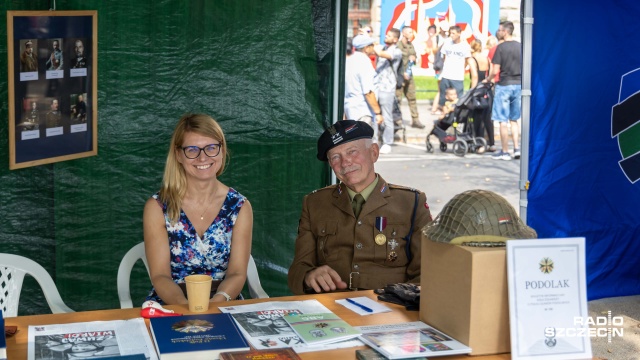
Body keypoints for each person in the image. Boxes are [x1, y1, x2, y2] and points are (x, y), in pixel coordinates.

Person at [288, 120, 432, 294]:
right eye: (335, 157)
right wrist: (309, 275)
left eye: (352, 152)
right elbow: (298, 268)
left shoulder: (410, 203)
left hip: (391, 308)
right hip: (332, 307)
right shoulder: (314, 203)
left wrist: (399, 303)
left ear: (373, 153)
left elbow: (427, 273)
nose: (345, 162)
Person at [143, 113, 253, 305]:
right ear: (178, 154)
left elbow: (236, 273)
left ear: (221, 150)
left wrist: (216, 303)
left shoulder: (240, 206)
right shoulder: (157, 207)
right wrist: (187, 306)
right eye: (192, 149)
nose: (203, 157)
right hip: (173, 303)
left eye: (211, 148)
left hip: (223, 301)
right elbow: (160, 276)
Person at [487, 21, 522, 161]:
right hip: (518, 85)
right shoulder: (520, 47)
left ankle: (505, 151)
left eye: (500, 30)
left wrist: (488, 79)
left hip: (504, 84)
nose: (498, 32)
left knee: (502, 120)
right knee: (514, 119)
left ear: (505, 32)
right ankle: (516, 148)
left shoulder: (500, 48)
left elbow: (495, 70)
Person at [344, 35, 384, 130]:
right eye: (372, 45)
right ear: (366, 48)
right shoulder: (364, 62)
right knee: (365, 143)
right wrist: (378, 112)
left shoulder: (351, 59)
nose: (373, 47)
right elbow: (368, 92)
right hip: (362, 111)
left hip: (350, 109)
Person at [373, 28, 402, 154]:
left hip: (387, 88)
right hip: (376, 86)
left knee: (386, 116)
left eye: (389, 35)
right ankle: (374, 141)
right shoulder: (382, 48)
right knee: (374, 114)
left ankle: (387, 142)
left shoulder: (397, 51)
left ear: (395, 39)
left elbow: (381, 54)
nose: (386, 36)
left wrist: (373, 44)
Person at [438, 26, 477, 111]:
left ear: (459, 33)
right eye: (450, 33)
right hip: (446, 75)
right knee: (443, 99)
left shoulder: (464, 46)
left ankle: (455, 118)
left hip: (457, 77)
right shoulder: (447, 43)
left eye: (453, 33)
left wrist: (461, 67)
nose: (451, 35)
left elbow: (467, 60)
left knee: (457, 100)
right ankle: (444, 117)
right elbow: (443, 57)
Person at [396, 26, 424, 129]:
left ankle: (415, 120)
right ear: (403, 33)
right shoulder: (398, 46)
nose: (411, 34)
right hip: (399, 77)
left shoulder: (410, 45)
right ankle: (397, 121)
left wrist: (414, 58)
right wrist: (402, 73)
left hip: (409, 76)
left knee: (412, 98)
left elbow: (414, 58)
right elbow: (396, 62)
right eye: (409, 32)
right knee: (397, 99)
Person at [430, 21, 450, 115]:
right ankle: (435, 108)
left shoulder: (449, 37)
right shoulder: (436, 38)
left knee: (446, 88)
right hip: (439, 65)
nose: (445, 32)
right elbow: (434, 51)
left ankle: (439, 107)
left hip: (447, 65)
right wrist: (442, 45)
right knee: (440, 88)